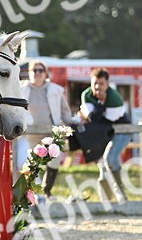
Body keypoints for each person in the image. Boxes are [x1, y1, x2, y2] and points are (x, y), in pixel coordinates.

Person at [15, 61, 72, 195]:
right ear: (29, 72)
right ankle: (33, 193)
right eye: (34, 70)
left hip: (51, 133)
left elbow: (65, 112)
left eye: (41, 70)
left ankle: (47, 190)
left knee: (54, 161)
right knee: (32, 164)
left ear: (46, 73)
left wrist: (71, 123)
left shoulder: (56, 90)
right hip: (31, 134)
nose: (38, 73)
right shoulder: (21, 89)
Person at [79, 68, 132, 200]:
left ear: (107, 84)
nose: (97, 87)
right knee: (103, 165)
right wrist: (100, 104)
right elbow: (93, 118)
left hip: (121, 132)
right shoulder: (86, 95)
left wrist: (100, 104)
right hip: (105, 132)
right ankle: (107, 201)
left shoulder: (115, 99)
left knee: (110, 158)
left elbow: (103, 119)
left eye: (101, 84)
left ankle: (121, 196)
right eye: (95, 83)